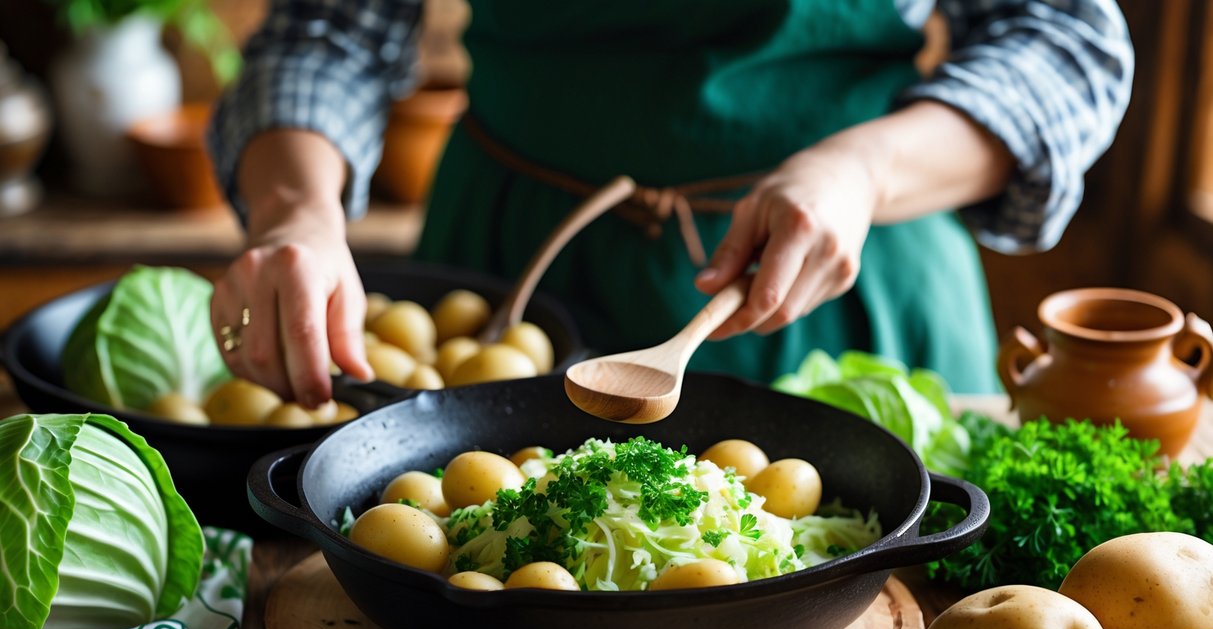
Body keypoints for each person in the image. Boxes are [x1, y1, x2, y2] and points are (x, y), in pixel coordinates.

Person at [207, 0, 1134, 409]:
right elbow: (326, 30)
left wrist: (862, 171)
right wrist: (296, 211)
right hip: (512, 260)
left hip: (852, 274)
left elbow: (1065, 42)